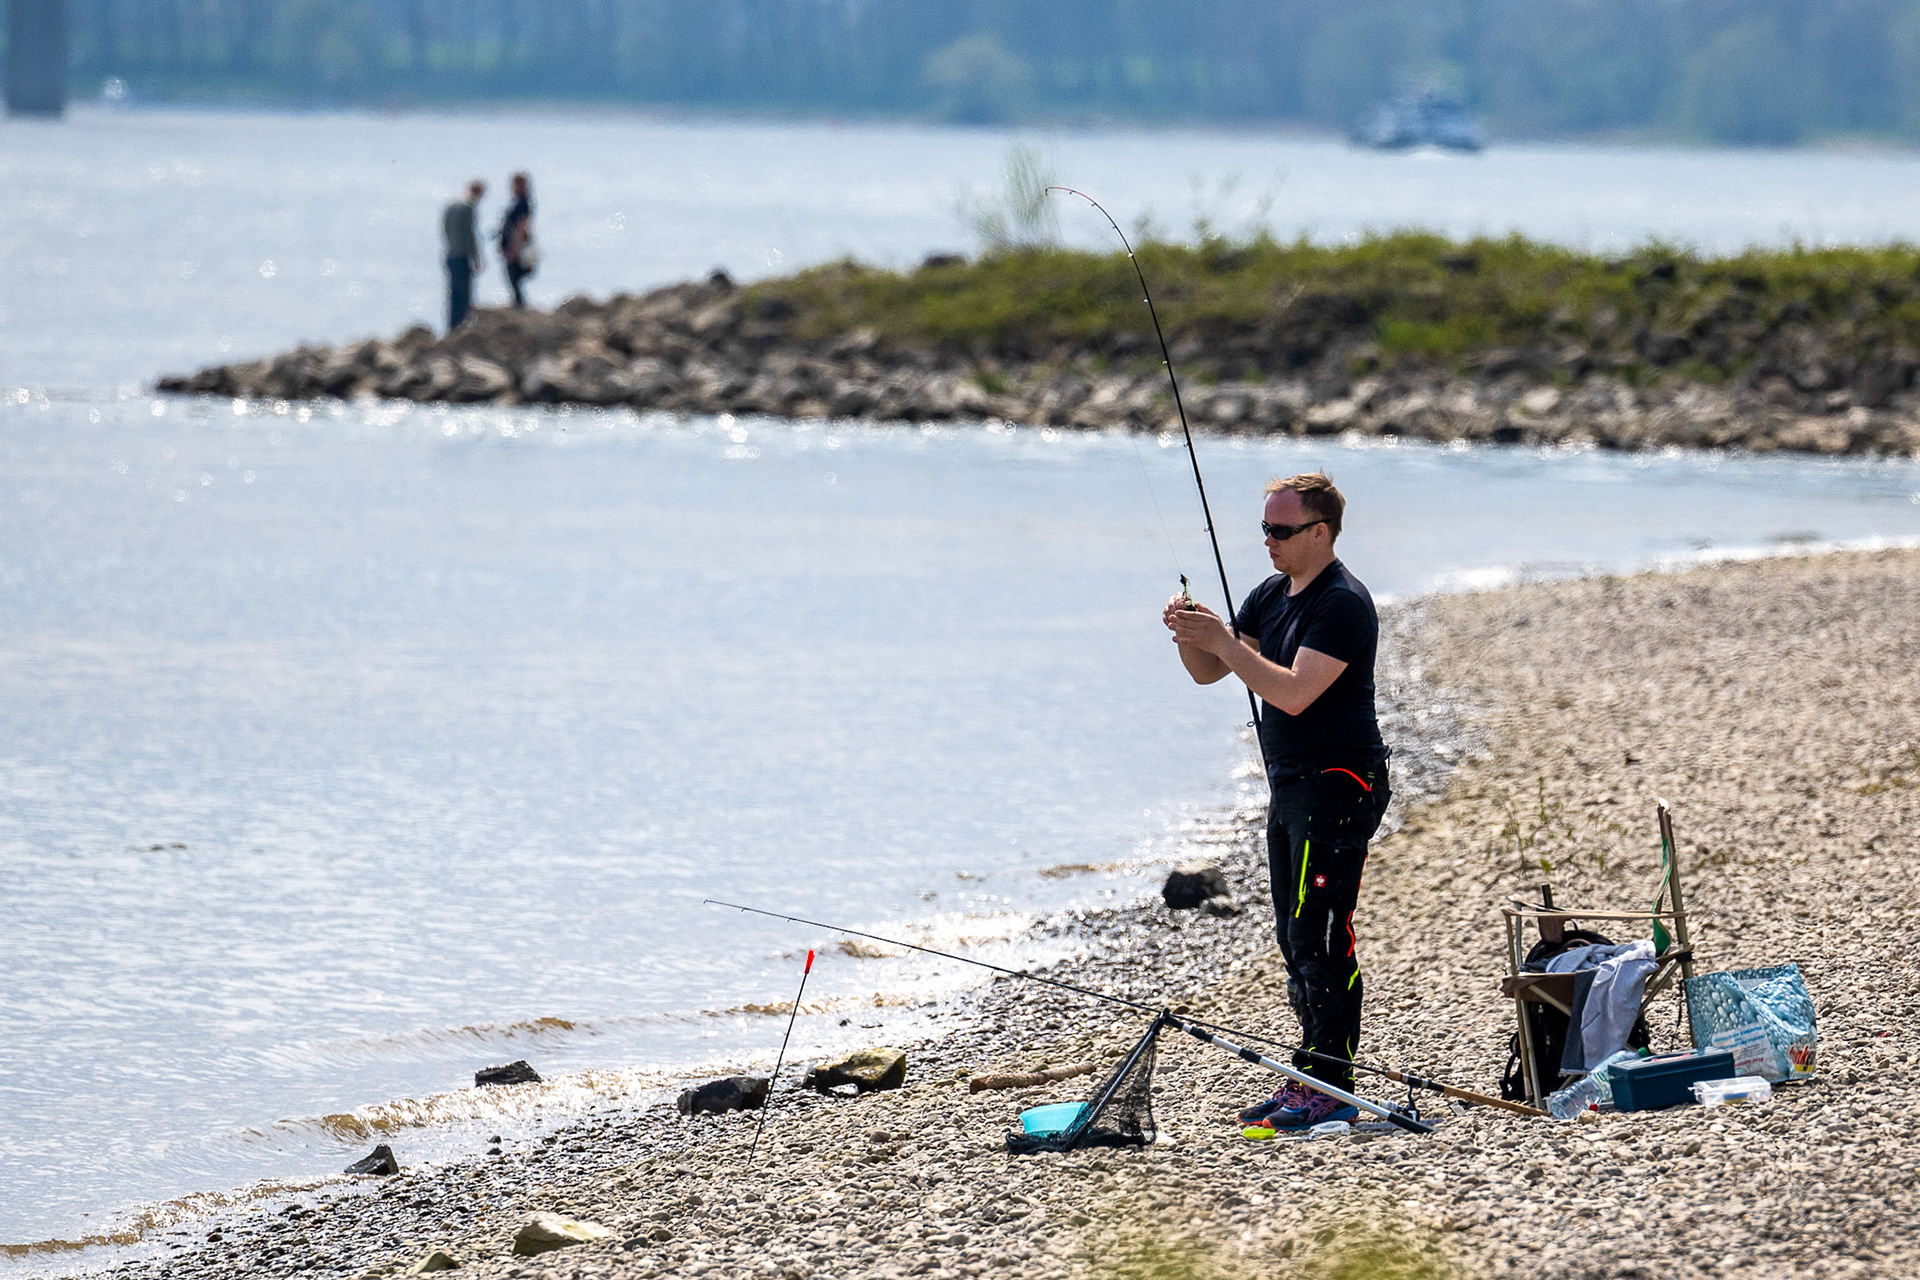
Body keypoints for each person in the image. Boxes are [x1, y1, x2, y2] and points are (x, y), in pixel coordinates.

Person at [1162, 472, 1391, 1130]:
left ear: (1320, 533)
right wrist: (1190, 634)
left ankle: (1333, 1084)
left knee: (1323, 934)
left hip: (1341, 784)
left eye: (1281, 531)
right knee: (1295, 938)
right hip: (1292, 787)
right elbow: (1215, 671)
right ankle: (1310, 1076)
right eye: (1263, 528)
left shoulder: (1342, 603)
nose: (1268, 541)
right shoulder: (1270, 595)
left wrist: (1227, 644)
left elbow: (1292, 692)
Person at [441, 179, 485, 331]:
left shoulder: (450, 206)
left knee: (453, 293)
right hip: (462, 255)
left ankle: (451, 326)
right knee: (464, 294)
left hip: (450, 253)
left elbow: (444, 229)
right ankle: (460, 327)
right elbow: (470, 234)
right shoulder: (468, 208)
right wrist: (477, 258)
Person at [497, 172, 535, 309]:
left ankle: (519, 306)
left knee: (515, 278)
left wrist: (515, 248)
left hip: (516, 247)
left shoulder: (523, 203)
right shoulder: (516, 202)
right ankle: (518, 305)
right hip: (510, 245)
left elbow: (521, 227)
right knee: (512, 279)